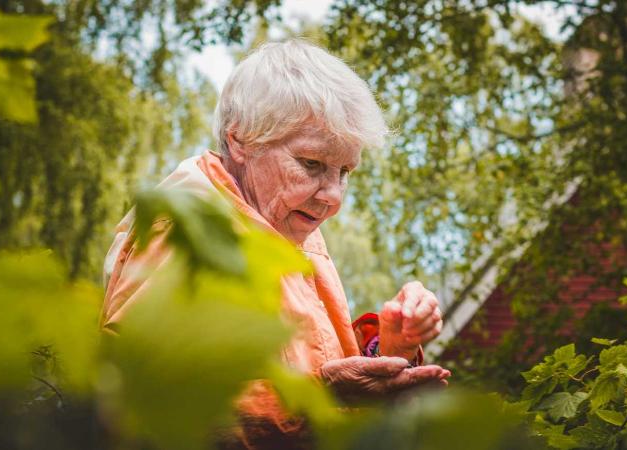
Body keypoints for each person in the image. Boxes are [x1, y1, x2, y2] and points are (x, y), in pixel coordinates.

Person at [101, 39, 449, 448]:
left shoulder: (288, 225)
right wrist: (316, 395)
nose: (333, 197)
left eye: (345, 171)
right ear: (241, 141)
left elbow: (316, 368)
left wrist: (390, 346)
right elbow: (132, 404)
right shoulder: (186, 231)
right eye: (312, 164)